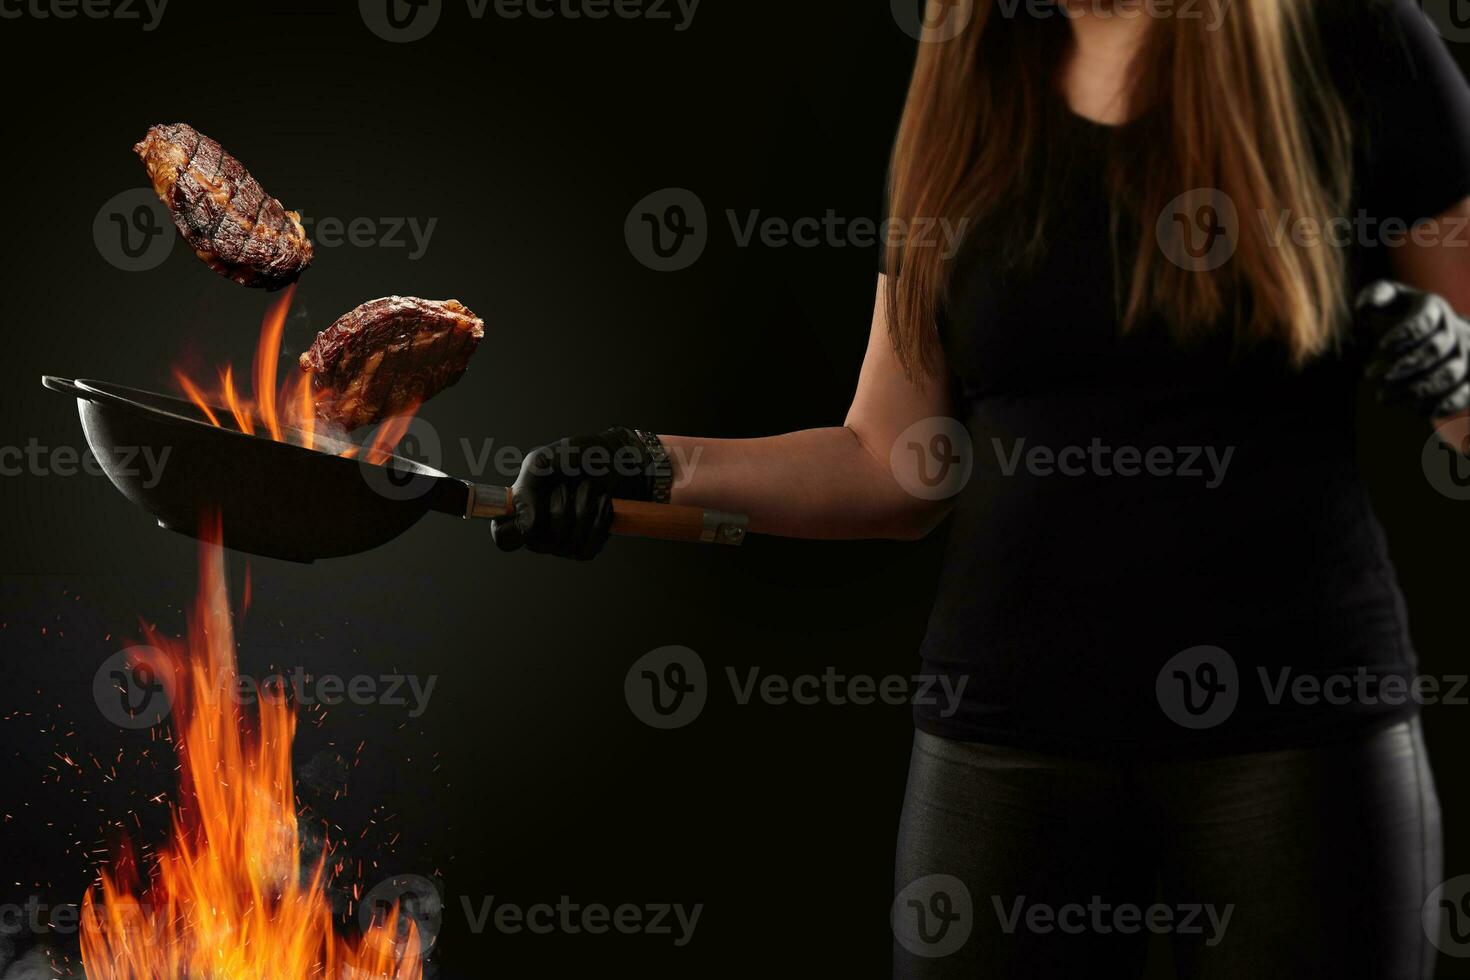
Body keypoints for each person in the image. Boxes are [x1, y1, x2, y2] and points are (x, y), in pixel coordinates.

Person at [491, 0, 1470, 974]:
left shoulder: (1358, 41)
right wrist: (641, 465)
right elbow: (889, 463)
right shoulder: (971, 77)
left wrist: (1460, 372)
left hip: (1298, 749)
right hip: (1004, 757)